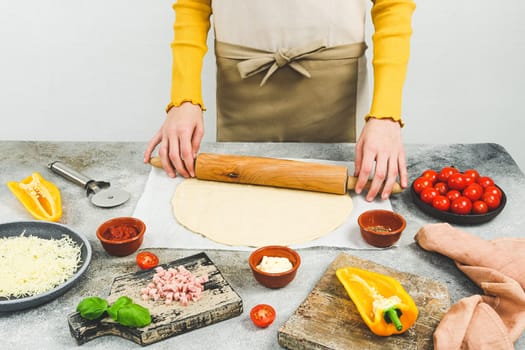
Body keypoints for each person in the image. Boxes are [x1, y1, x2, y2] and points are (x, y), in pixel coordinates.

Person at [144, 0, 416, 201]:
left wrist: (385, 113)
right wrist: (183, 98)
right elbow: (193, 4)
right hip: (245, 89)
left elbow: (393, 6)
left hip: (336, 95)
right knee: (242, 199)